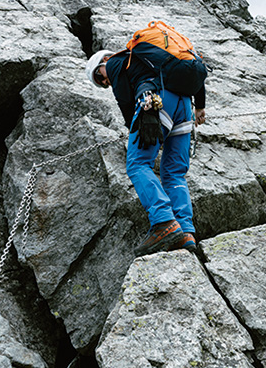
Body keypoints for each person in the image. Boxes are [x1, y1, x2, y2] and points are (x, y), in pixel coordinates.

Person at [85, 31, 206, 257]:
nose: (105, 82)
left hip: (157, 102)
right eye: (101, 83)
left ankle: (164, 222)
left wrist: (134, 127)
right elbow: (193, 75)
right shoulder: (160, 58)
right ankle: (186, 231)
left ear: (103, 62)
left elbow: (124, 100)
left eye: (99, 77)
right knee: (175, 173)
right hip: (185, 106)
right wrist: (200, 106)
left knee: (137, 163)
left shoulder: (116, 62)